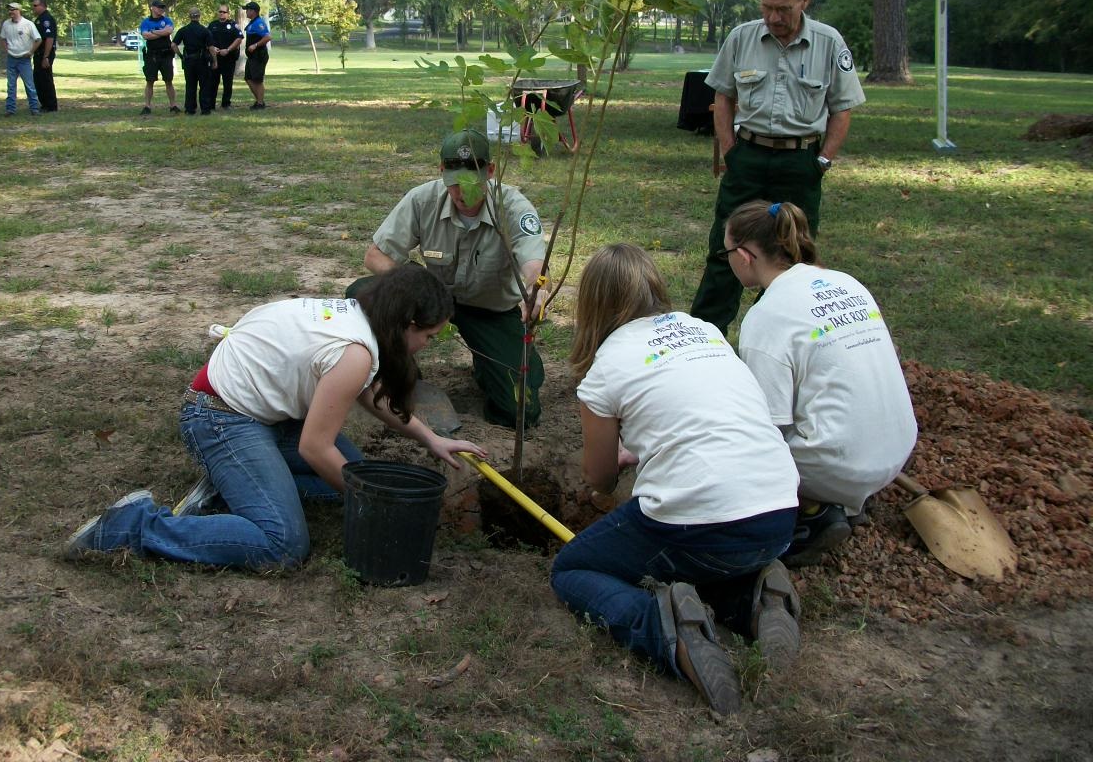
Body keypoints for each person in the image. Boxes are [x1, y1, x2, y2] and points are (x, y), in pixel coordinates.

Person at [64, 264, 486, 570]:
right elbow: (314, 447)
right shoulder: (354, 352)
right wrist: (373, 505)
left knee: (353, 473)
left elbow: (369, 391)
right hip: (218, 418)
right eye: (429, 336)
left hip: (259, 415)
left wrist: (430, 438)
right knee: (281, 543)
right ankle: (133, 526)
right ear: (407, 324)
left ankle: (232, 490)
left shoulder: (356, 317)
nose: (429, 345)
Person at [550, 243, 801, 715]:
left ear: (592, 304)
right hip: (778, 513)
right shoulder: (704, 330)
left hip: (701, 521)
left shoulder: (607, 368)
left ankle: (664, 627)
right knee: (699, 554)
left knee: (572, 569)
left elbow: (598, 479)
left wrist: (619, 462)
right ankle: (755, 599)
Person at [724, 199, 917, 566]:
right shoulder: (845, 282)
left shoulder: (766, 317)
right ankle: (847, 494)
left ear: (745, 255)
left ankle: (812, 513)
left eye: (727, 252)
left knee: (731, 448)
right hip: (897, 447)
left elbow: (768, 428)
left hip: (840, 463)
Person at [690, 0, 866, 335]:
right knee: (726, 251)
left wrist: (822, 161)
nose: (773, 17)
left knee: (791, 256)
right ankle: (705, 340)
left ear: (805, 0)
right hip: (748, 159)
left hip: (800, 163)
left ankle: (773, 336)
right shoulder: (741, 37)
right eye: (766, 7)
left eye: (783, 8)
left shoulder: (829, 42)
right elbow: (723, 96)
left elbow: (842, 108)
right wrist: (730, 151)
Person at [351, 129, 547, 428]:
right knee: (362, 294)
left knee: (519, 412)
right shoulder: (422, 199)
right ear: (442, 172)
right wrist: (417, 285)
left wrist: (534, 289)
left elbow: (534, 262)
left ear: (490, 171)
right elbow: (374, 256)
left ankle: (497, 365)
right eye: (454, 183)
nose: (462, 192)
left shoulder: (513, 206)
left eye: (472, 182)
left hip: (491, 310)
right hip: (434, 299)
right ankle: (398, 372)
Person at [0, 2, 41, 117]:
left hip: (24, 59)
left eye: (12, 9)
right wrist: (7, 50)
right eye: (9, 10)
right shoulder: (6, 24)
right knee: (11, 85)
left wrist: (30, 52)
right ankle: (10, 109)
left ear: (18, 11)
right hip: (12, 58)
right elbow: (2, 39)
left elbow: (38, 39)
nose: (10, 12)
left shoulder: (28, 24)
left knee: (29, 85)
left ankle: (34, 108)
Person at [171, 6, 215, 115]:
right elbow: (211, 48)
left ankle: (190, 109)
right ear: (199, 16)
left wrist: (181, 56)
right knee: (204, 85)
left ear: (189, 16)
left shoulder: (183, 30)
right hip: (202, 61)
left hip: (188, 61)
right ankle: (205, 109)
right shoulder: (205, 31)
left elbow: (173, 45)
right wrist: (215, 60)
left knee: (190, 85)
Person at [139, 0, 179, 115]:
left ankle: (173, 105)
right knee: (149, 81)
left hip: (166, 55)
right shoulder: (146, 22)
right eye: (159, 7)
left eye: (162, 7)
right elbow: (145, 36)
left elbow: (169, 31)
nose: (161, 9)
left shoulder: (167, 20)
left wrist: (154, 32)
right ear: (152, 7)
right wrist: (160, 32)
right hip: (152, 55)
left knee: (169, 81)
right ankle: (147, 106)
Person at [206, 3, 242, 109]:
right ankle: (211, 104)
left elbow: (239, 38)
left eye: (224, 12)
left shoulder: (233, 25)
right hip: (215, 58)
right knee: (213, 82)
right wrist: (213, 48)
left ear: (228, 13)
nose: (221, 14)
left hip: (228, 58)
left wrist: (228, 49)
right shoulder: (212, 25)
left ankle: (226, 104)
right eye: (220, 12)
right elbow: (206, 40)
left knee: (227, 83)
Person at [30, 0, 58, 112]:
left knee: (45, 79)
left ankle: (51, 105)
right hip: (39, 54)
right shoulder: (39, 19)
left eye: (35, 6)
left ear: (42, 6)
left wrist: (46, 57)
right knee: (38, 79)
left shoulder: (46, 19)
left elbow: (49, 39)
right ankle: (44, 104)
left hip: (45, 54)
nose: (33, 8)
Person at [241, 1, 270, 110]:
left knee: (257, 80)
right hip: (252, 56)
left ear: (253, 11)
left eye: (247, 10)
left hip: (259, 55)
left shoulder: (259, 23)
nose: (246, 12)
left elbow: (267, 37)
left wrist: (255, 45)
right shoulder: (252, 23)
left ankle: (260, 103)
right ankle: (259, 100)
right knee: (248, 78)